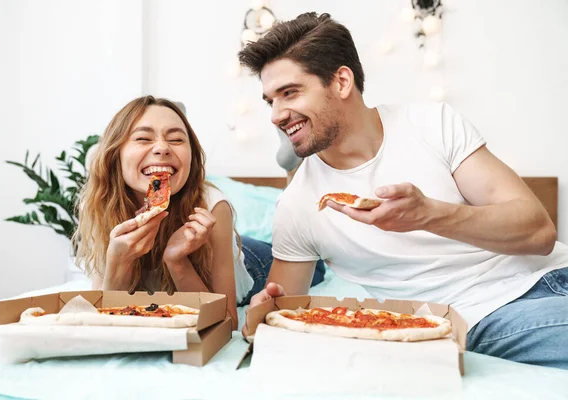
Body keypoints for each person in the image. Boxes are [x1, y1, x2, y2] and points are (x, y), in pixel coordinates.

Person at [238, 12, 568, 369]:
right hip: (469, 322)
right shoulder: (298, 204)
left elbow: (539, 232)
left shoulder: (432, 124)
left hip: (549, 278)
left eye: (290, 93)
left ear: (342, 81)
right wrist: (262, 313)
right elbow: (282, 309)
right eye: (270, 100)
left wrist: (429, 214)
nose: (276, 115)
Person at [74, 95, 326, 330]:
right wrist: (119, 261)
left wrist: (177, 260)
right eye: (143, 138)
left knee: (316, 267)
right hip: (229, 247)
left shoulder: (213, 205)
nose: (162, 148)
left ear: (191, 157)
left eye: (175, 139)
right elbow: (104, 316)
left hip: (252, 261)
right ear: (114, 154)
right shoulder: (99, 205)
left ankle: (294, 165)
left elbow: (225, 321)